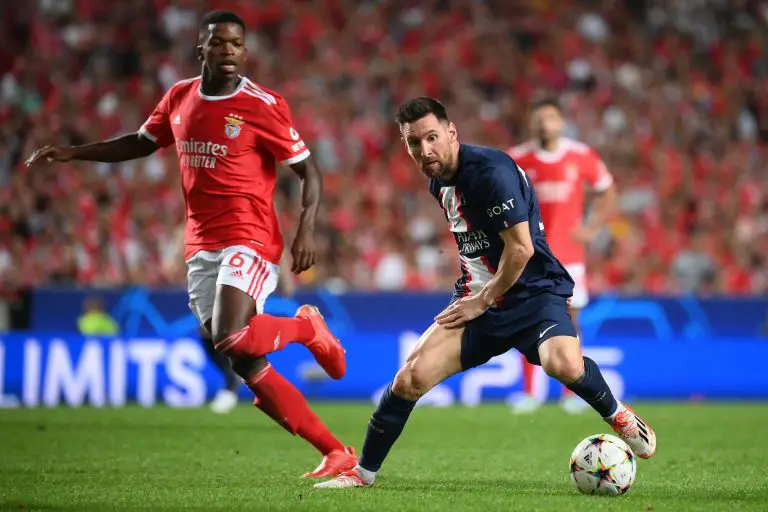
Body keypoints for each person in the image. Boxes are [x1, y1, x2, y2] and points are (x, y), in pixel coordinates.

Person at [26, 10, 356, 479]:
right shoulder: (179, 97)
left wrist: (306, 228)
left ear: (245, 50)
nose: (229, 52)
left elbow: (309, 169)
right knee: (243, 361)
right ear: (200, 49)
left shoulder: (263, 105)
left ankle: (306, 327)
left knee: (232, 335)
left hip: (252, 235)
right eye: (219, 43)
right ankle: (333, 452)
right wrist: (75, 152)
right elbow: (141, 142)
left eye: (237, 44)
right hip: (202, 243)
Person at [315, 97, 655, 489]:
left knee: (563, 364)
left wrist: (481, 298)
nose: (424, 151)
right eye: (413, 143)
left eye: (432, 138)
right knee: (410, 378)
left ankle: (618, 414)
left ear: (452, 133)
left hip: (533, 295)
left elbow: (521, 249)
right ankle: (362, 474)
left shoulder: (492, 172)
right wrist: (475, 295)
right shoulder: (437, 178)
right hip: (479, 300)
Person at [508, 98, 617, 414]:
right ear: (532, 124)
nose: (545, 124)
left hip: (569, 256)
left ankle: (571, 394)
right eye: (539, 118)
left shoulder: (580, 155)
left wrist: (592, 226)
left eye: (551, 118)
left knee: (571, 320)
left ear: (561, 122)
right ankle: (530, 392)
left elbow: (608, 190)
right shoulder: (517, 159)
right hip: (532, 254)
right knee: (527, 318)